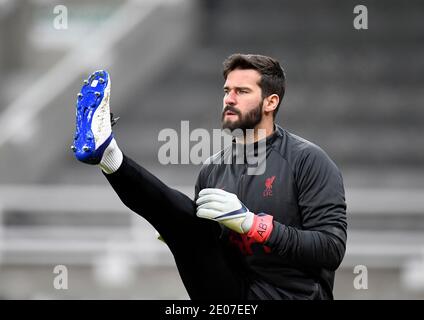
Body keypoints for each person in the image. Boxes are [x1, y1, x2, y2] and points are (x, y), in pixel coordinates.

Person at [72, 54, 347, 300]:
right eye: (227, 90)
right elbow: (211, 249)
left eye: (242, 91)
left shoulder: (309, 160)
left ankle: (111, 156)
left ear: (270, 102)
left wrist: (252, 224)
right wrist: (177, 230)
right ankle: (108, 155)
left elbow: (331, 249)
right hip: (231, 297)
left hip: (291, 295)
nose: (229, 98)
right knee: (184, 222)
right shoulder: (213, 169)